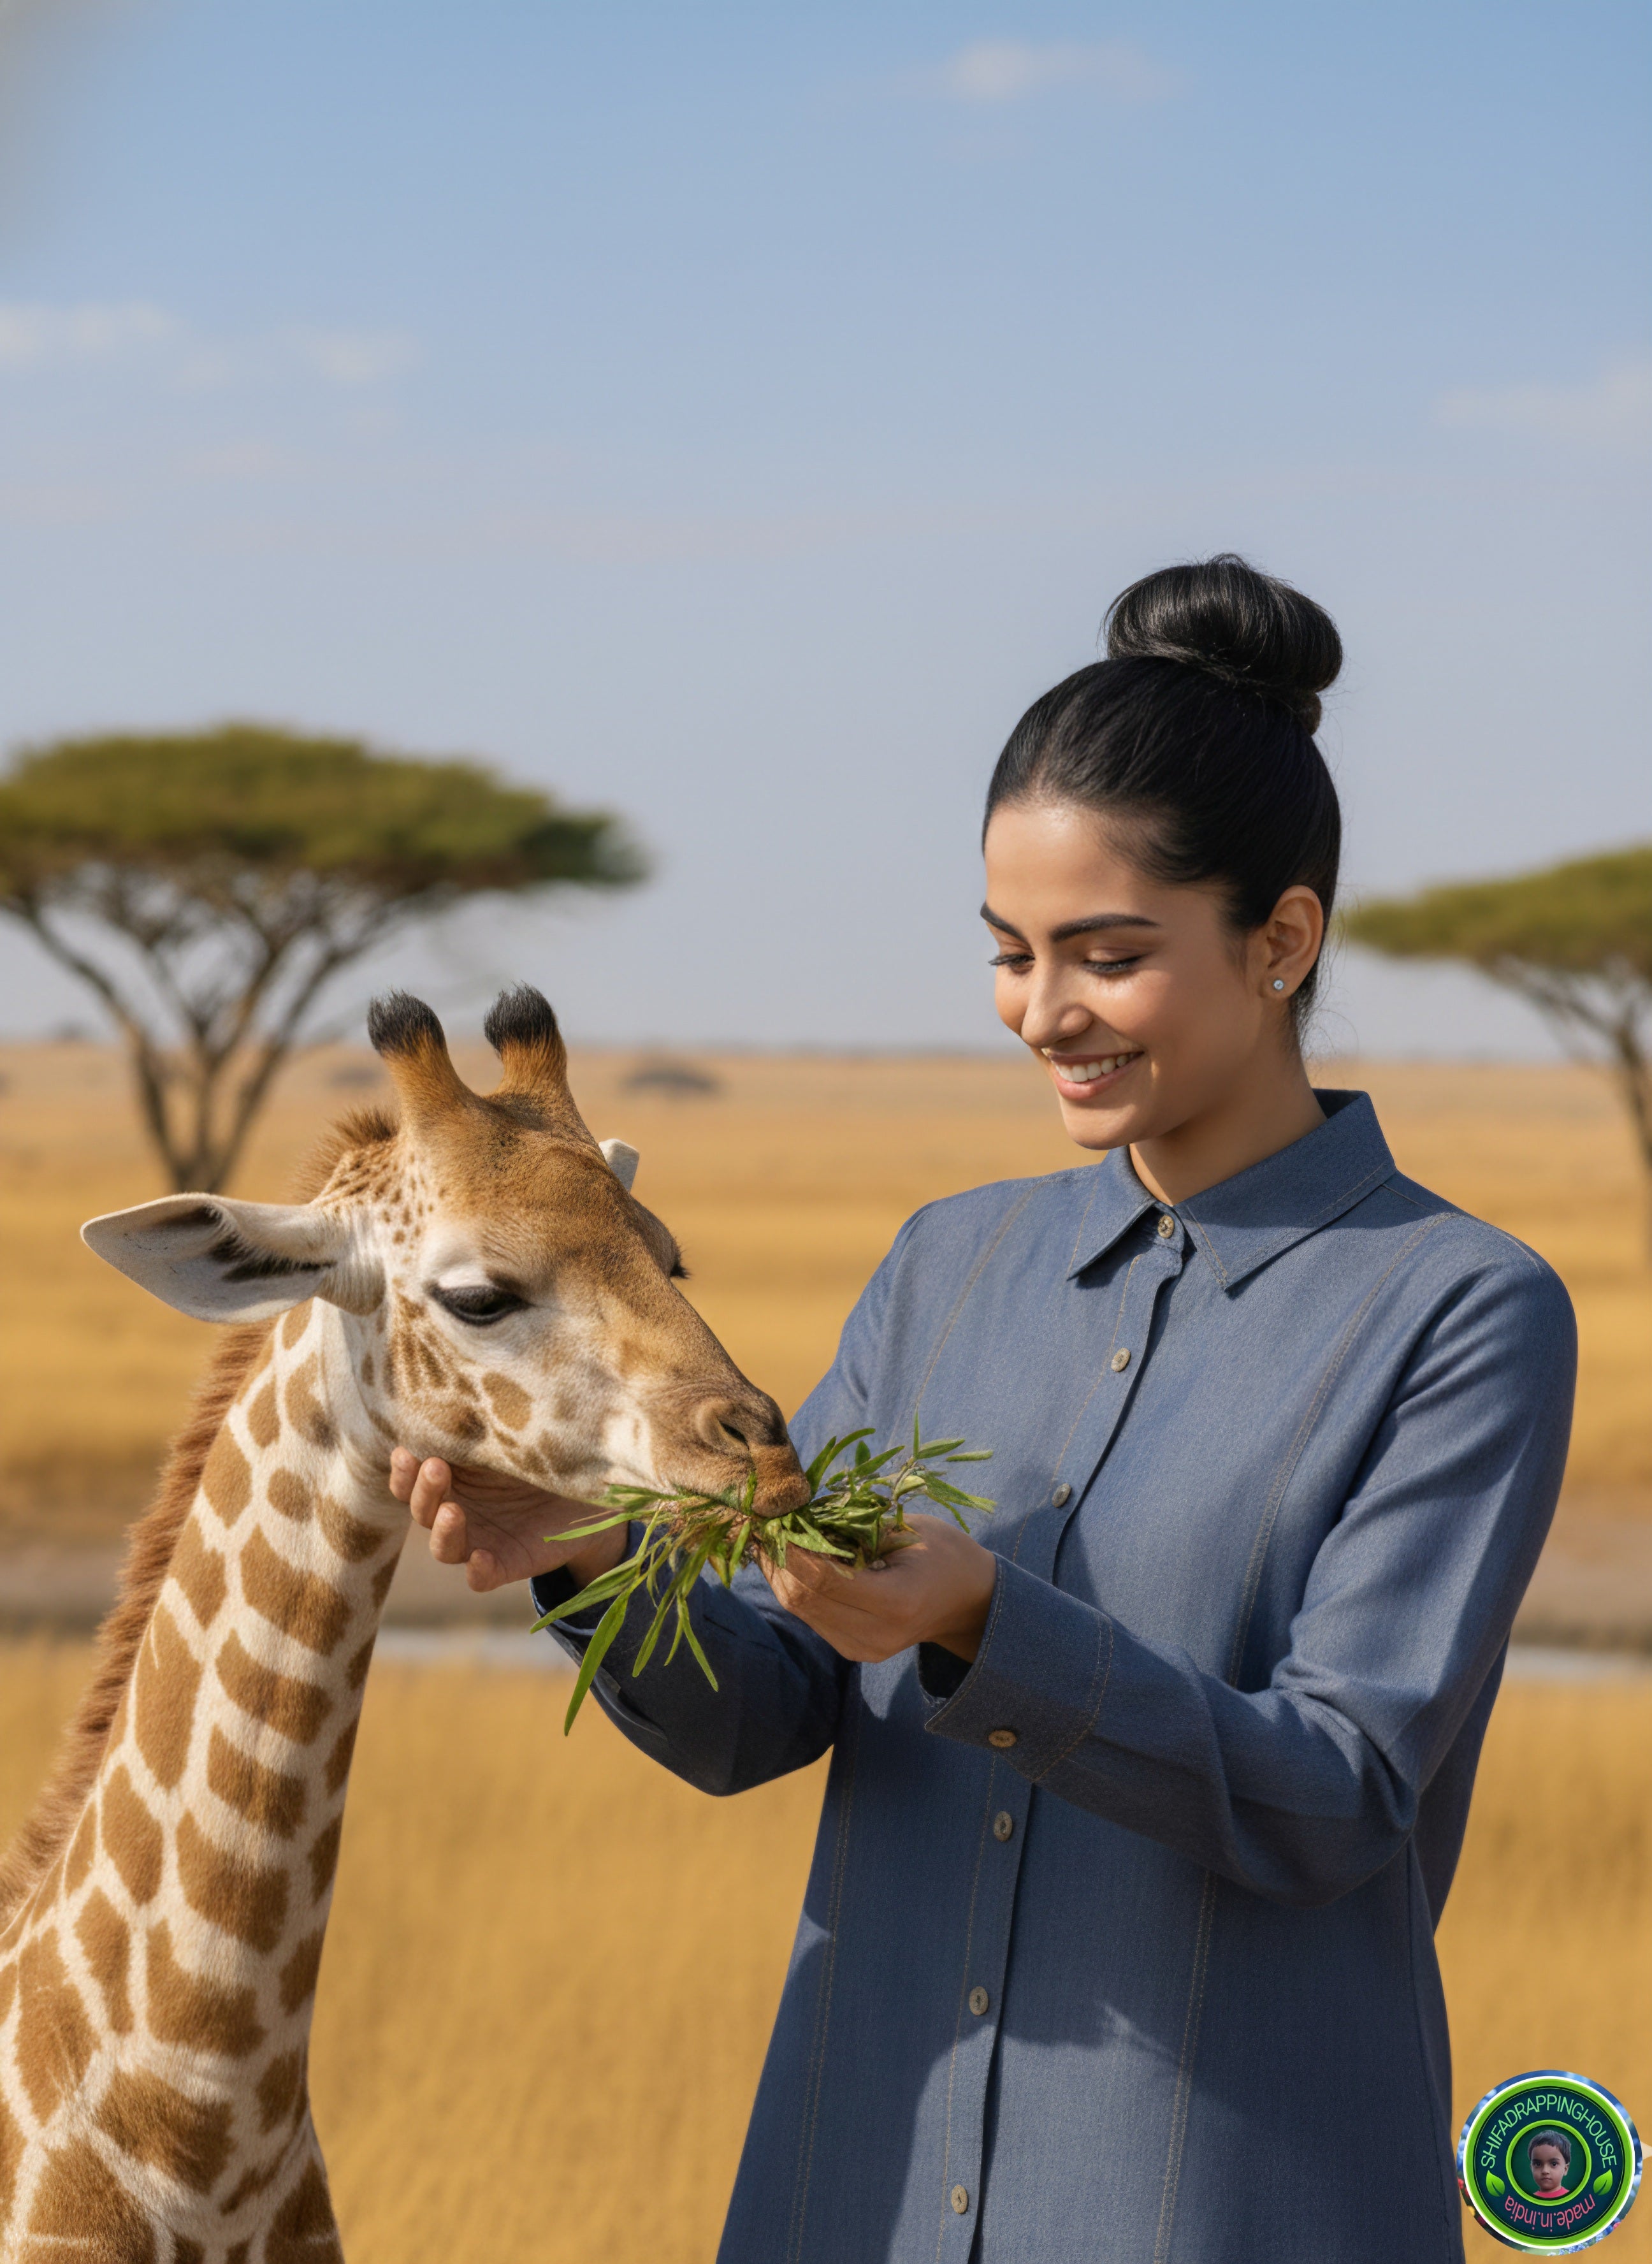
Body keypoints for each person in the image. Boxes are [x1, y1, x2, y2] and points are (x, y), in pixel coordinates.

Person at [390, 556, 1576, 2263]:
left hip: (1229, 2206)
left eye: (1105, 955)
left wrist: (985, 1625)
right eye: (1011, 954)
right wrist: (583, 1557)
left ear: (1284, 937)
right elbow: (769, 1713)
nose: (1042, 1012)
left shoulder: (1459, 1310)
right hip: (852, 2184)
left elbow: (1336, 1796)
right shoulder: (947, 1265)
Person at [1528, 2131, 1573, 2200]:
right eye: (1538, 2164)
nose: (1545, 2171)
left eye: (1554, 2164)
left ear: (1565, 2169)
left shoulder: (1573, 2199)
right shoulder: (1527, 2201)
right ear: (1532, 2168)